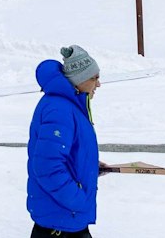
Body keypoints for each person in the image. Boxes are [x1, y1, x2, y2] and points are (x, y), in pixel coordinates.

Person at [27, 45, 118, 238]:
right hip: (60, 224)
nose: (98, 84)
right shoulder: (59, 110)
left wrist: (88, 166)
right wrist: (77, 200)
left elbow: (64, 153)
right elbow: (46, 167)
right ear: (79, 80)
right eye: (94, 78)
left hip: (66, 219)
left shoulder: (70, 106)